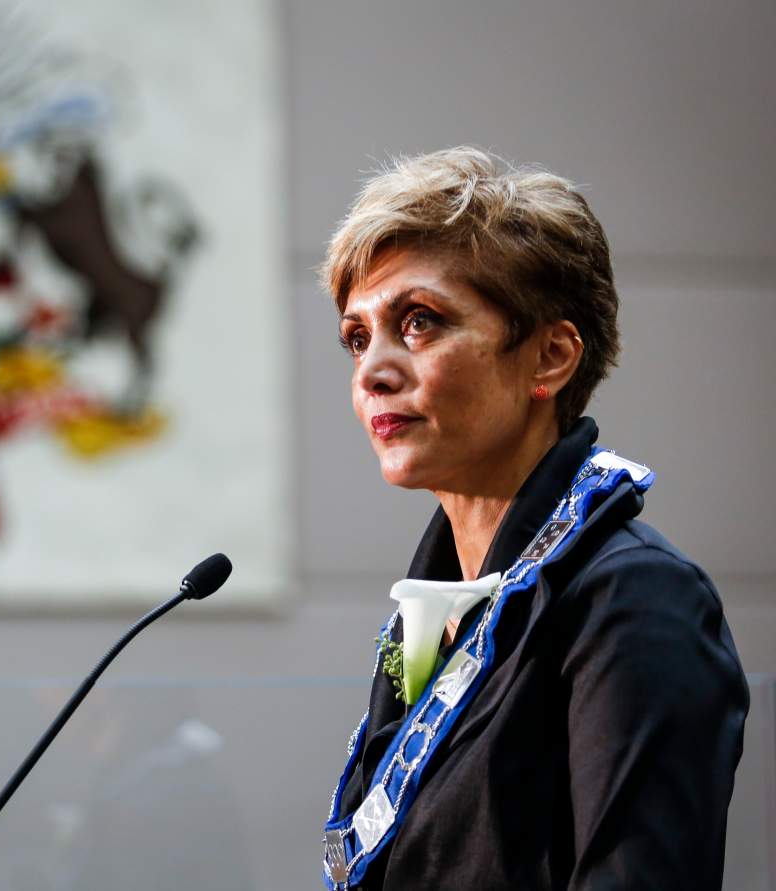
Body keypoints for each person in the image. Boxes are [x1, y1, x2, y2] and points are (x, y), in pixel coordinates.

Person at [318, 147, 748, 890]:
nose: (372, 370)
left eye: (418, 322)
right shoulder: (428, 614)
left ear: (550, 358)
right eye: (358, 336)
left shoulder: (634, 600)